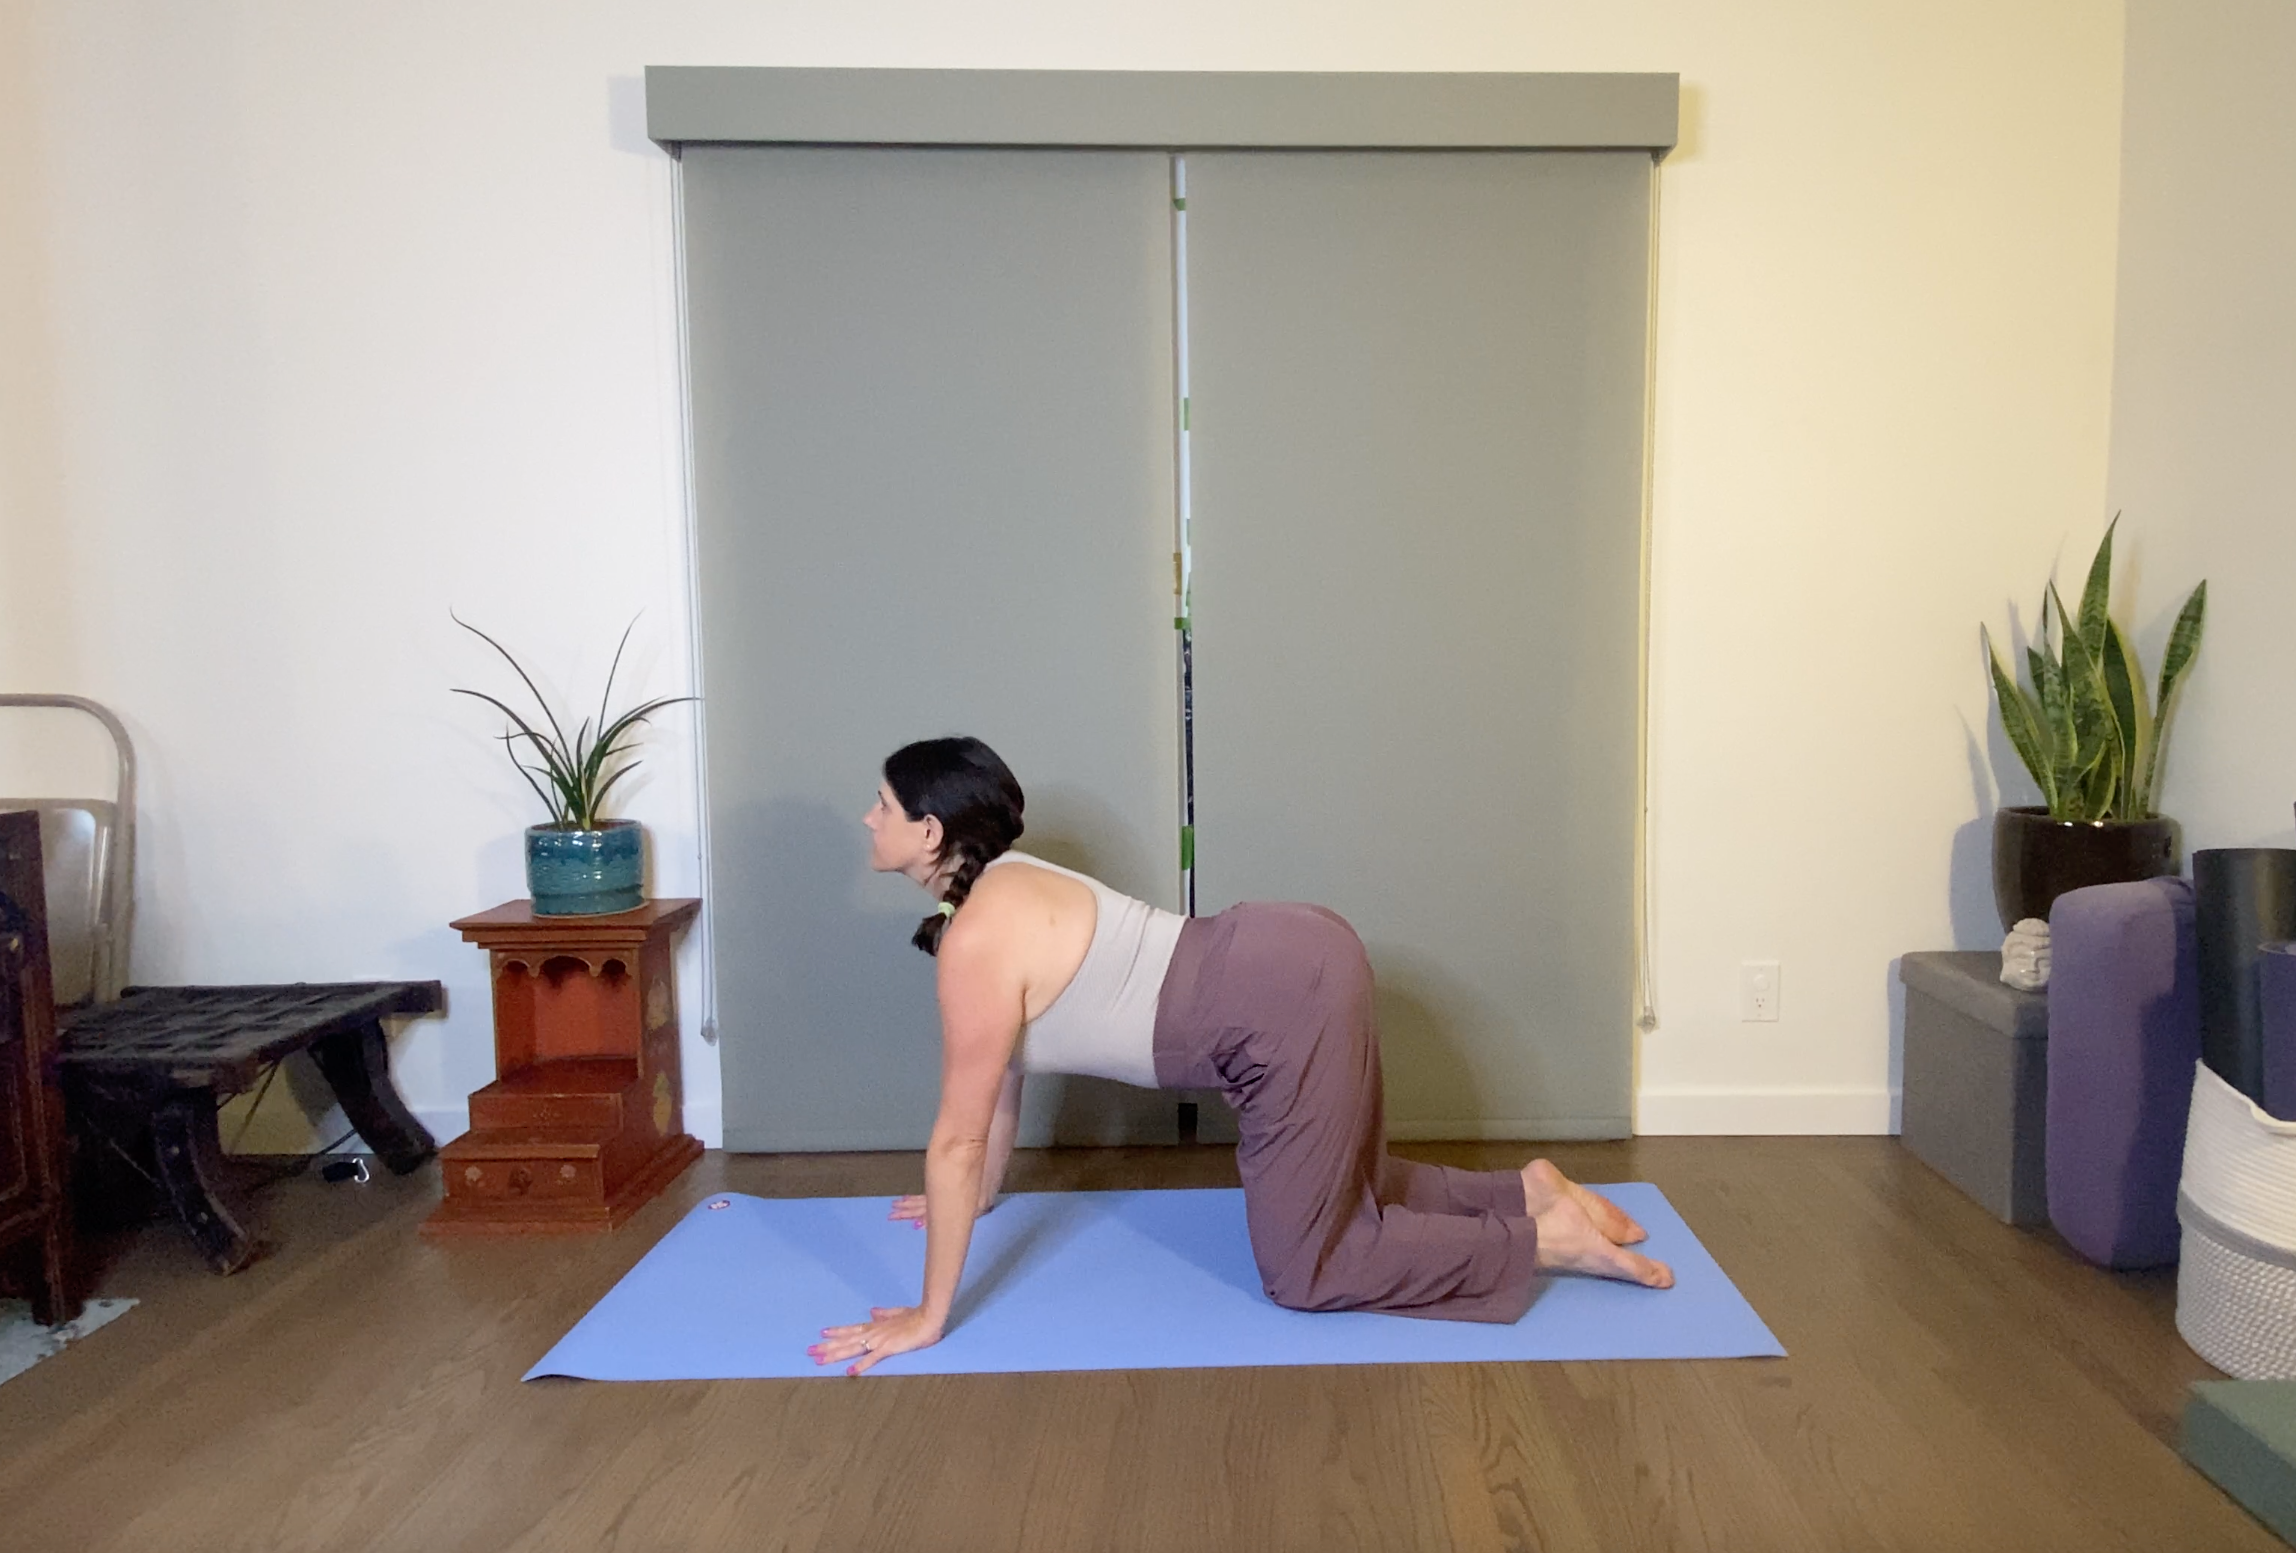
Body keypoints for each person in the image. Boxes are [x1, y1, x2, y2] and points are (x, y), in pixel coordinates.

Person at [809, 737, 1672, 1376]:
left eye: (881, 804)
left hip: (1273, 1010)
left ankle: (1541, 1240)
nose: (867, 816)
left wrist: (928, 1314)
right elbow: (996, 1088)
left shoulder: (976, 942)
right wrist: (979, 1198)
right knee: (1347, 1189)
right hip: (1290, 948)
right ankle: (1528, 1189)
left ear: (929, 833)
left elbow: (955, 1137)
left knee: (1310, 1267)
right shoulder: (1007, 880)